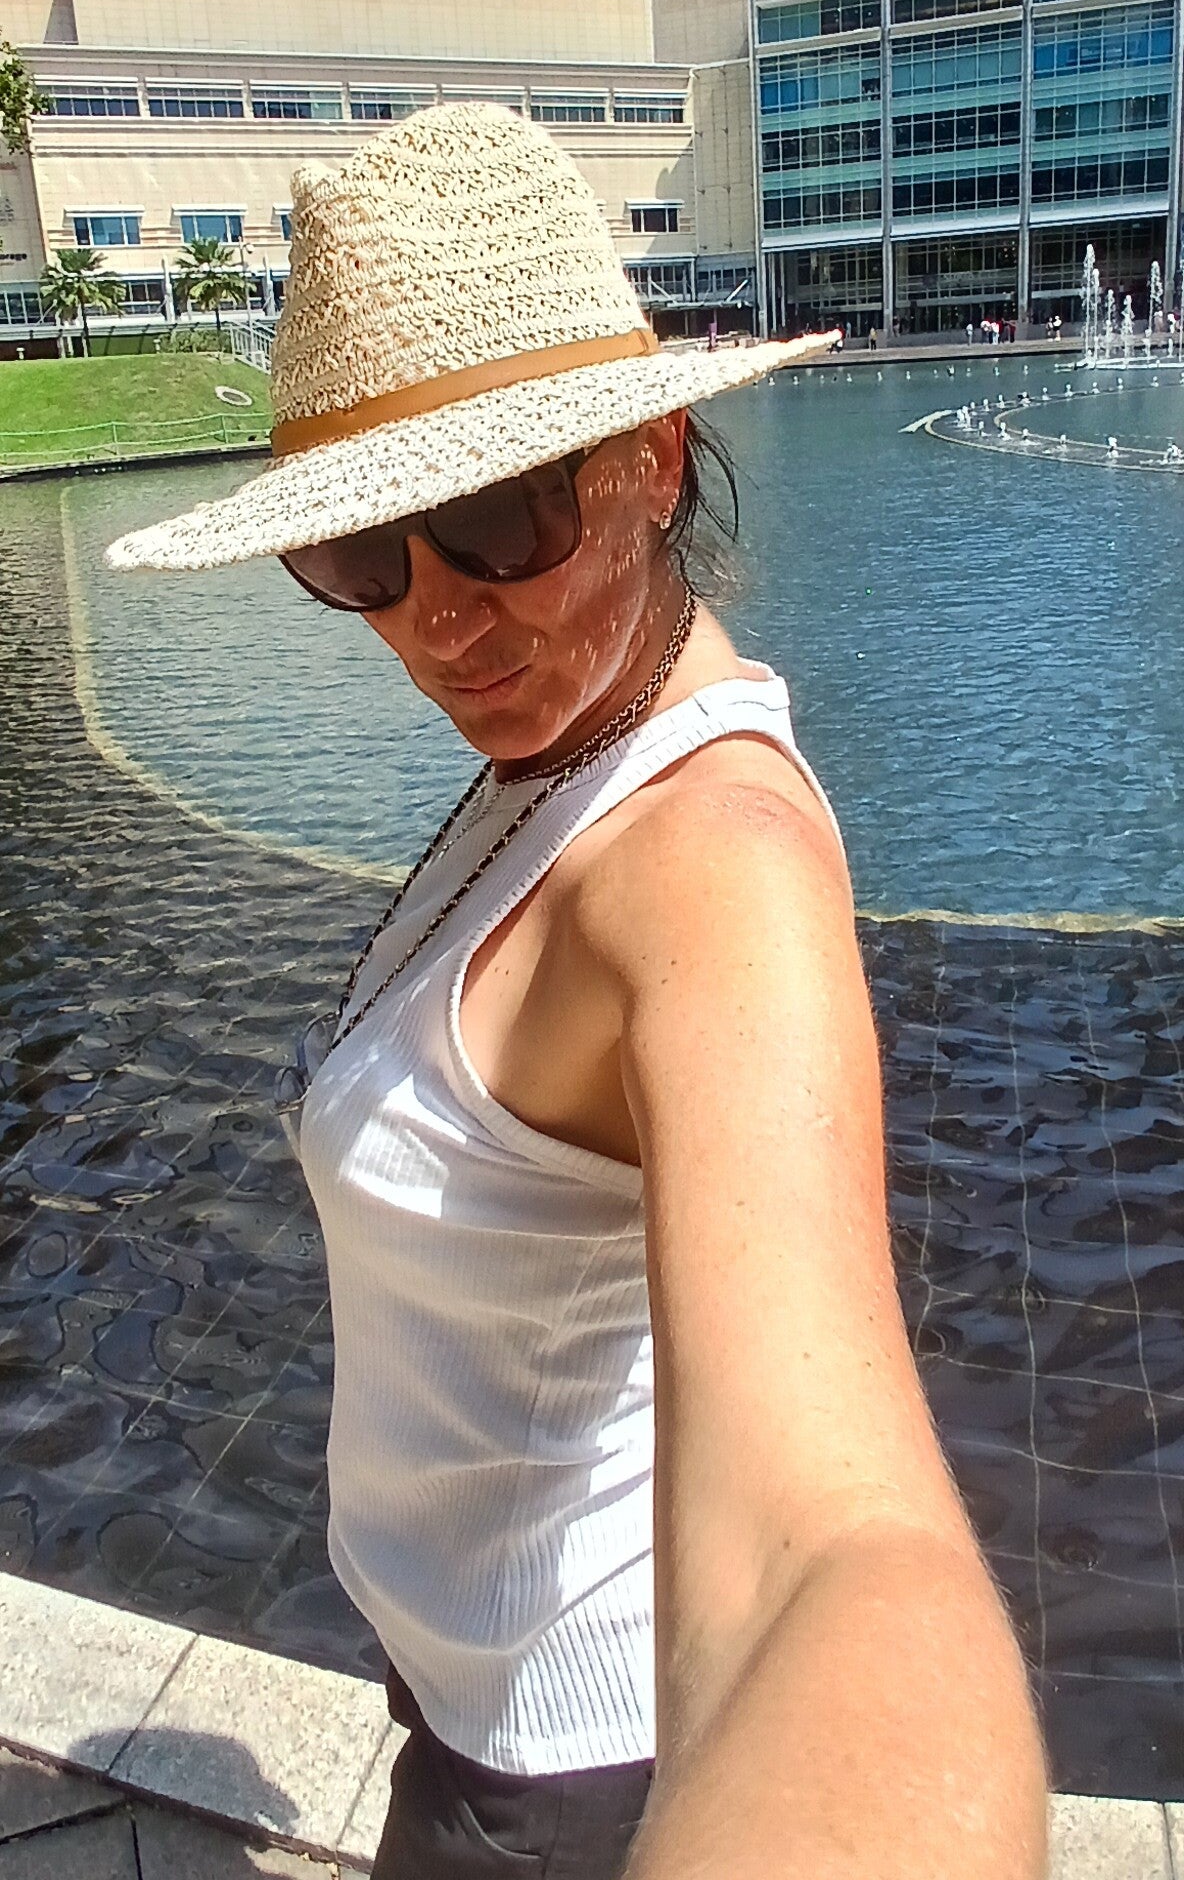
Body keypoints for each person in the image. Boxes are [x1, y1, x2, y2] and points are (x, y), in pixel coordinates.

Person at [107, 105, 1046, 1880]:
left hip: (561, 1799)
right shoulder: (570, 748)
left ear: (652, 463)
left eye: (497, 517)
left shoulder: (713, 872)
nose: (435, 619)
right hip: (473, 1707)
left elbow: (833, 1551)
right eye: (360, 555)